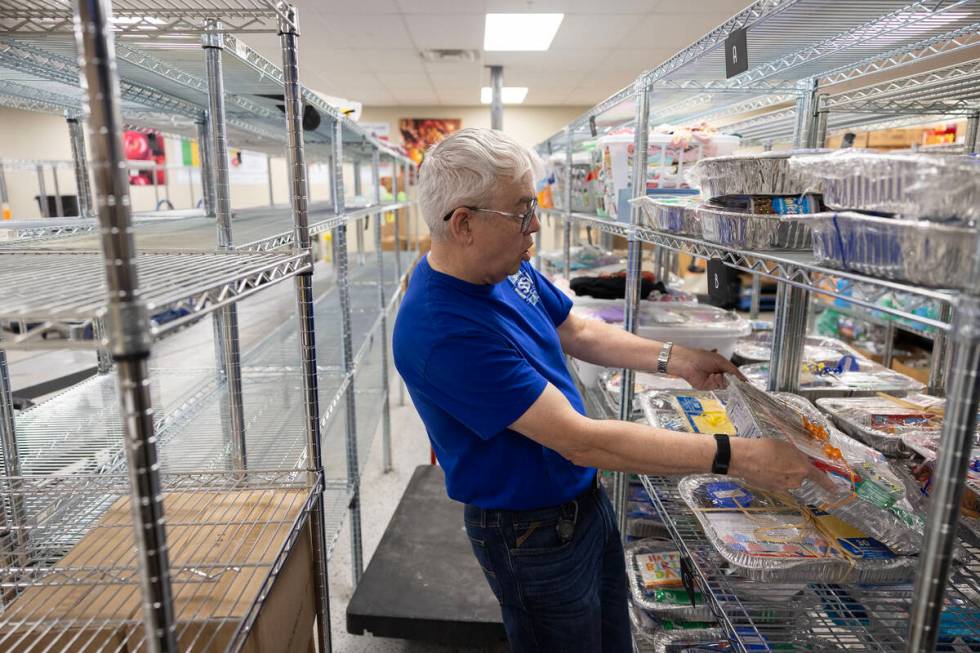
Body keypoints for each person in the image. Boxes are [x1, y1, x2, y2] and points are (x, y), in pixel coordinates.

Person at [393, 128, 824, 653]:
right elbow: (580, 439)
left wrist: (675, 357)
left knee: (609, 638)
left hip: (580, 503)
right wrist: (737, 457)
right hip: (529, 531)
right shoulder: (442, 330)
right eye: (523, 211)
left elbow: (578, 331)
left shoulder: (504, 267)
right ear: (464, 223)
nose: (535, 227)